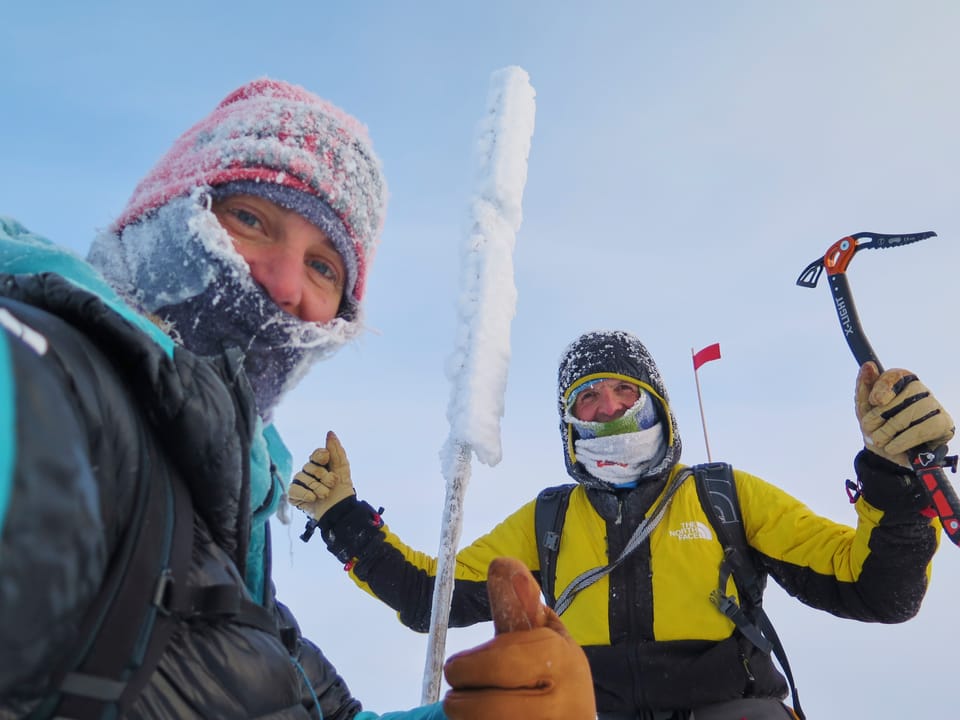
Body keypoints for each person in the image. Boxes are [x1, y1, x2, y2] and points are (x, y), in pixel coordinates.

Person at [0, 78, 594, 720]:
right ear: (162, 212)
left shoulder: (228, 534)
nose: (284, 285)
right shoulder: (54, 388)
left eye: (323, 267)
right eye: (251, 219)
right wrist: (343, 518)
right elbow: (426, 595)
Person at [289, 328, 954, 720]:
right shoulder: (549, 520)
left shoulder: (725, 497)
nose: (608, 410)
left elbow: (878, 591)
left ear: (658, 404)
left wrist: (894, 483)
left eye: (625, 392)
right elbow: (426, 595)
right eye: (589, 398)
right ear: (569, 424)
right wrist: (341, 515)